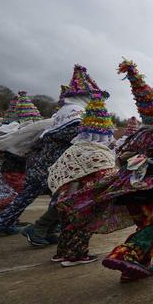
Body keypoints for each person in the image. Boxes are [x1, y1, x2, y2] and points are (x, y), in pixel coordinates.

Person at [96, 60, 153, 281]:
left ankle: (136, 268)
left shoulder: (137, 135)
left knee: (143, 224)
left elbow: (121, 156)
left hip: (130, 186)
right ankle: (124, 254)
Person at [0, 68, 105, 240]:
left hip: (39, 162)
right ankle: (44, 230)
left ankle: (3, 223)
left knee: (26, 197)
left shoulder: (62, 113)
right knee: (62, 199)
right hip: (55, 164)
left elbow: (44, 136)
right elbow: (70, 135)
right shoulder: (76, 114)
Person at [47, 94, 123, 267]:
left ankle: (61, 253)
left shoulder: (74, 149)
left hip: (65, 195)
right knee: (82, 227)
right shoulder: (100, 153)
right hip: (84, 198)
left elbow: (58, 169)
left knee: (66, 225)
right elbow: (107, 176)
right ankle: (75, 256)